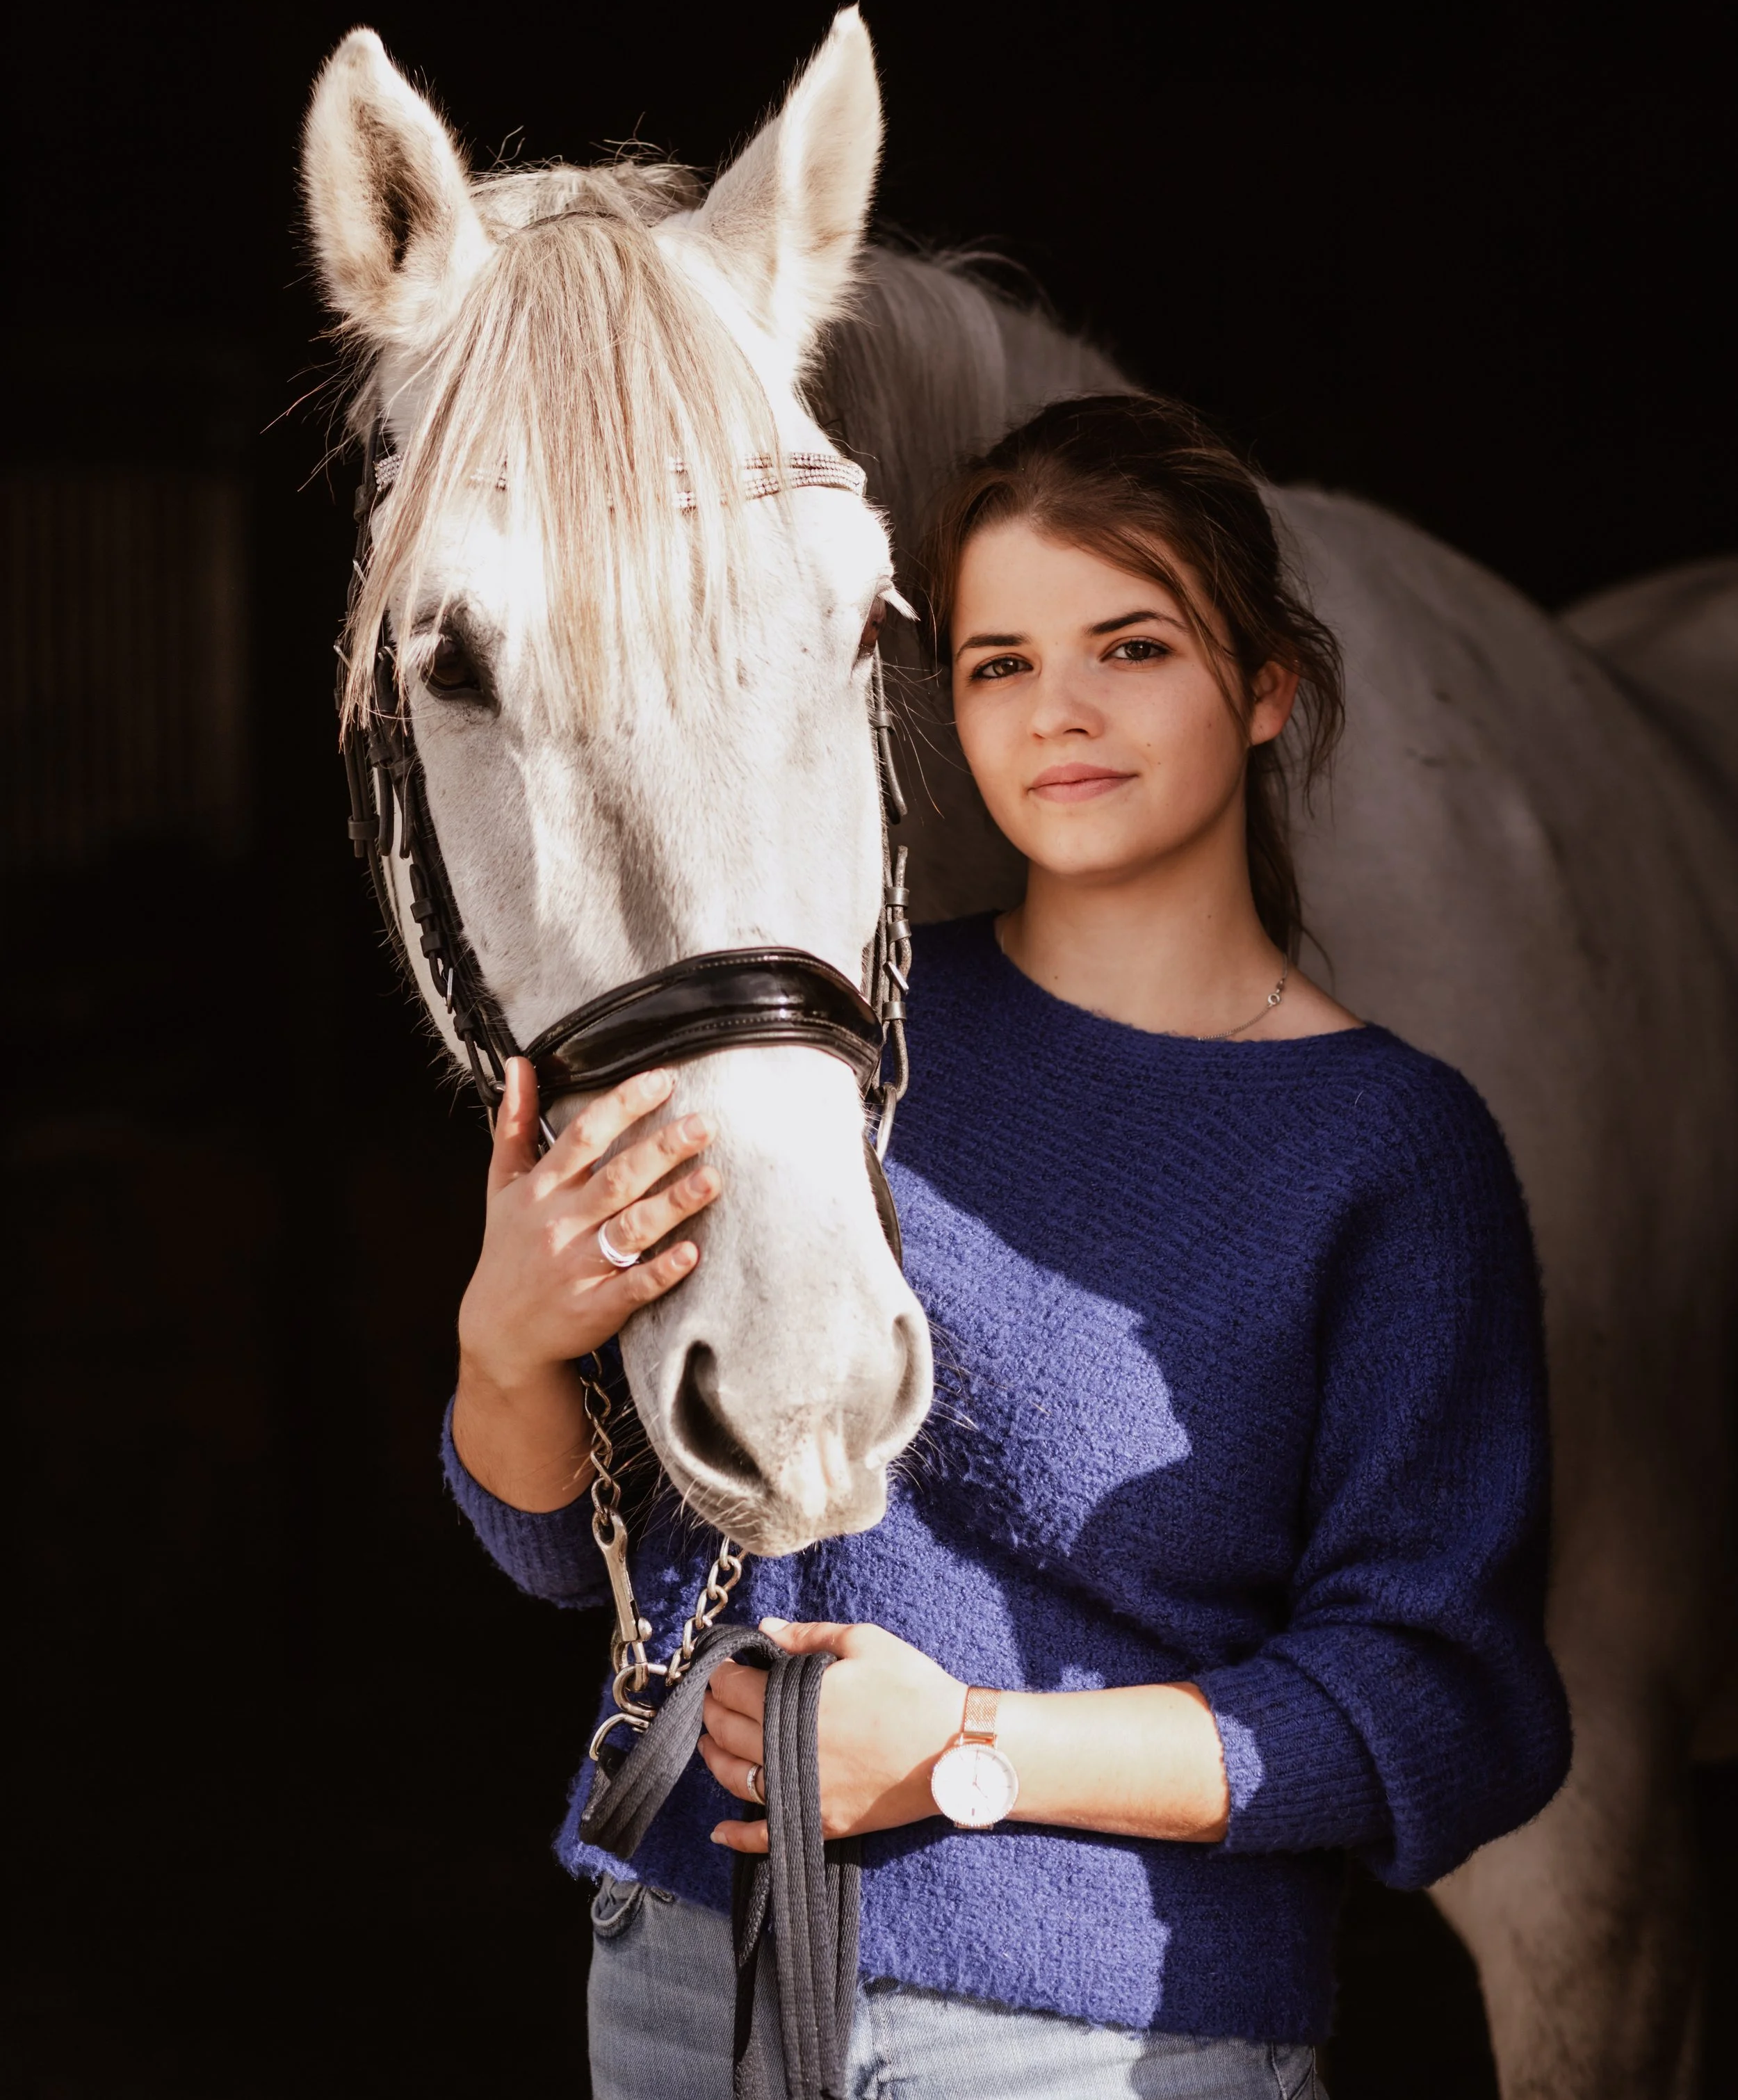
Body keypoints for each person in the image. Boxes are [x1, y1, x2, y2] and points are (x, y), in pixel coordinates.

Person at [445, 394, 1571, 2099]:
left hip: (1094, 2039)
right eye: (993, 663)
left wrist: (965, 1751)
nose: (1057, 713)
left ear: (1264, 689)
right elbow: (567, 1553)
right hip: (682, 1974)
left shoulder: (1388, 1155)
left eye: (1129, 646)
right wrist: (505, 1344)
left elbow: (1439, 1710)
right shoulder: (822, 1045)